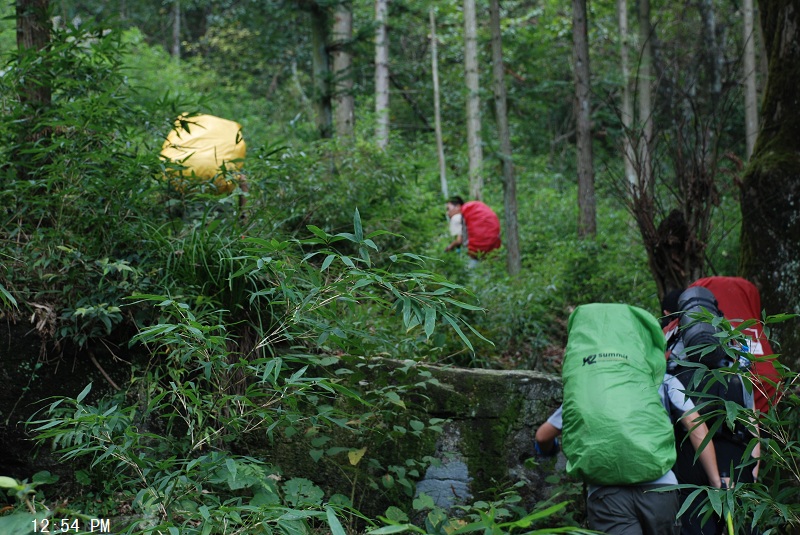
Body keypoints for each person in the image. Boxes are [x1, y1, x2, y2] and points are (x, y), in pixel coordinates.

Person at [533, 378, 722, 535]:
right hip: (660, 488)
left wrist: (549, 450)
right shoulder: (664, 378)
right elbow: (696, 427)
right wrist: (716, 481)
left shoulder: (588, 383)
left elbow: (543, 436)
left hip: (607, 492)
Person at [444, 196, 501, 265]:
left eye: (448, 209)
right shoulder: (471, 213)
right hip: (489, 251)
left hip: (473, 254)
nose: (447, 213)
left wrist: (449, 248)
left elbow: (458, 240)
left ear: (458, 206)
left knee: (471, 274)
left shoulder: (456, 218)